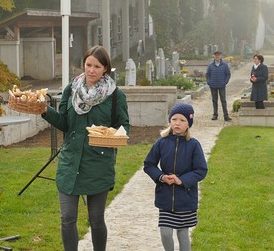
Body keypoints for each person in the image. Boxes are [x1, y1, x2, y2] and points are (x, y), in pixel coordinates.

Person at [41, 45, 130, 251]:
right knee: (67, 218)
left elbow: (124, 125)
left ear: (105, 69)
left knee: (96, 220)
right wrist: (45, 111)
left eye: (97, 66)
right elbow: (64, 122)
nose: (91, 70)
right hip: (70, 162)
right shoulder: (71, 89)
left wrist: (114, 135)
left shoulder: (115, 96)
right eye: (88, 64)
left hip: (98, 164)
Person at [143, 103, 208, 251]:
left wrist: (182, 180)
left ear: (189, 124)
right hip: (165, 197)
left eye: (182, 120)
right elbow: (149, 164)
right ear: (170, 121)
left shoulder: (193, 145)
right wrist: (161, 177)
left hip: (185, 197)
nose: (177, 123)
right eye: (174, 119)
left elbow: (201, 170)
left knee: (183, 233)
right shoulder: (161, 142)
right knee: (165, 233)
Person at [206, 50, 232, 121]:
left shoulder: (224, 65)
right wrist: (209, 82)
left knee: (223, 100)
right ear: (214, 56)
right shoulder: (211, 65)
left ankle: (226, 116)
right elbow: (207, 74)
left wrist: (225, 82)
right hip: (213, 85)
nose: (217, 56)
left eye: (218, 55)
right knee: (214, 100)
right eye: (216, 55)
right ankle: (215, 115)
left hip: (221, 85)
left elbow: (228, 74)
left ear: (221, 56)